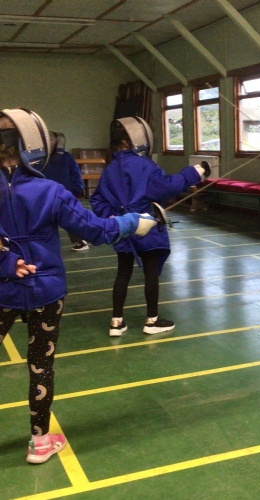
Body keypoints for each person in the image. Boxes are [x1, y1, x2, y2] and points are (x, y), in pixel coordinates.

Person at [0, 108, 158, 464]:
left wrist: (7, 264)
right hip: (45, 291)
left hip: (3, 287)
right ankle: (40, 443)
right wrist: (134, 222)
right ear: (34, 143)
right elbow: (96, 231)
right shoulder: (50, 191)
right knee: (41, 366)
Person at [90, 116, 210, 337]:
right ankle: (152, 321)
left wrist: (117, 220)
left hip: (123, 230)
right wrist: (195, 172)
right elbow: (166, 187)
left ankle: (116, 322)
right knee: (151, 273)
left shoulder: (110, 168)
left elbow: (97, 201)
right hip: (147, 229)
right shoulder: (144, 165)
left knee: (123, 273)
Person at [43, 131, 89, 251]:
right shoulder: (41, 159)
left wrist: (76, 190)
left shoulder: (66, 157)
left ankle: (81, 241)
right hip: (46, 195)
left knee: (69, 219)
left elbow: (75, 174)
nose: (50, 142)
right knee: (45, 220)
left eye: (52, 140)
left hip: (65, 194)